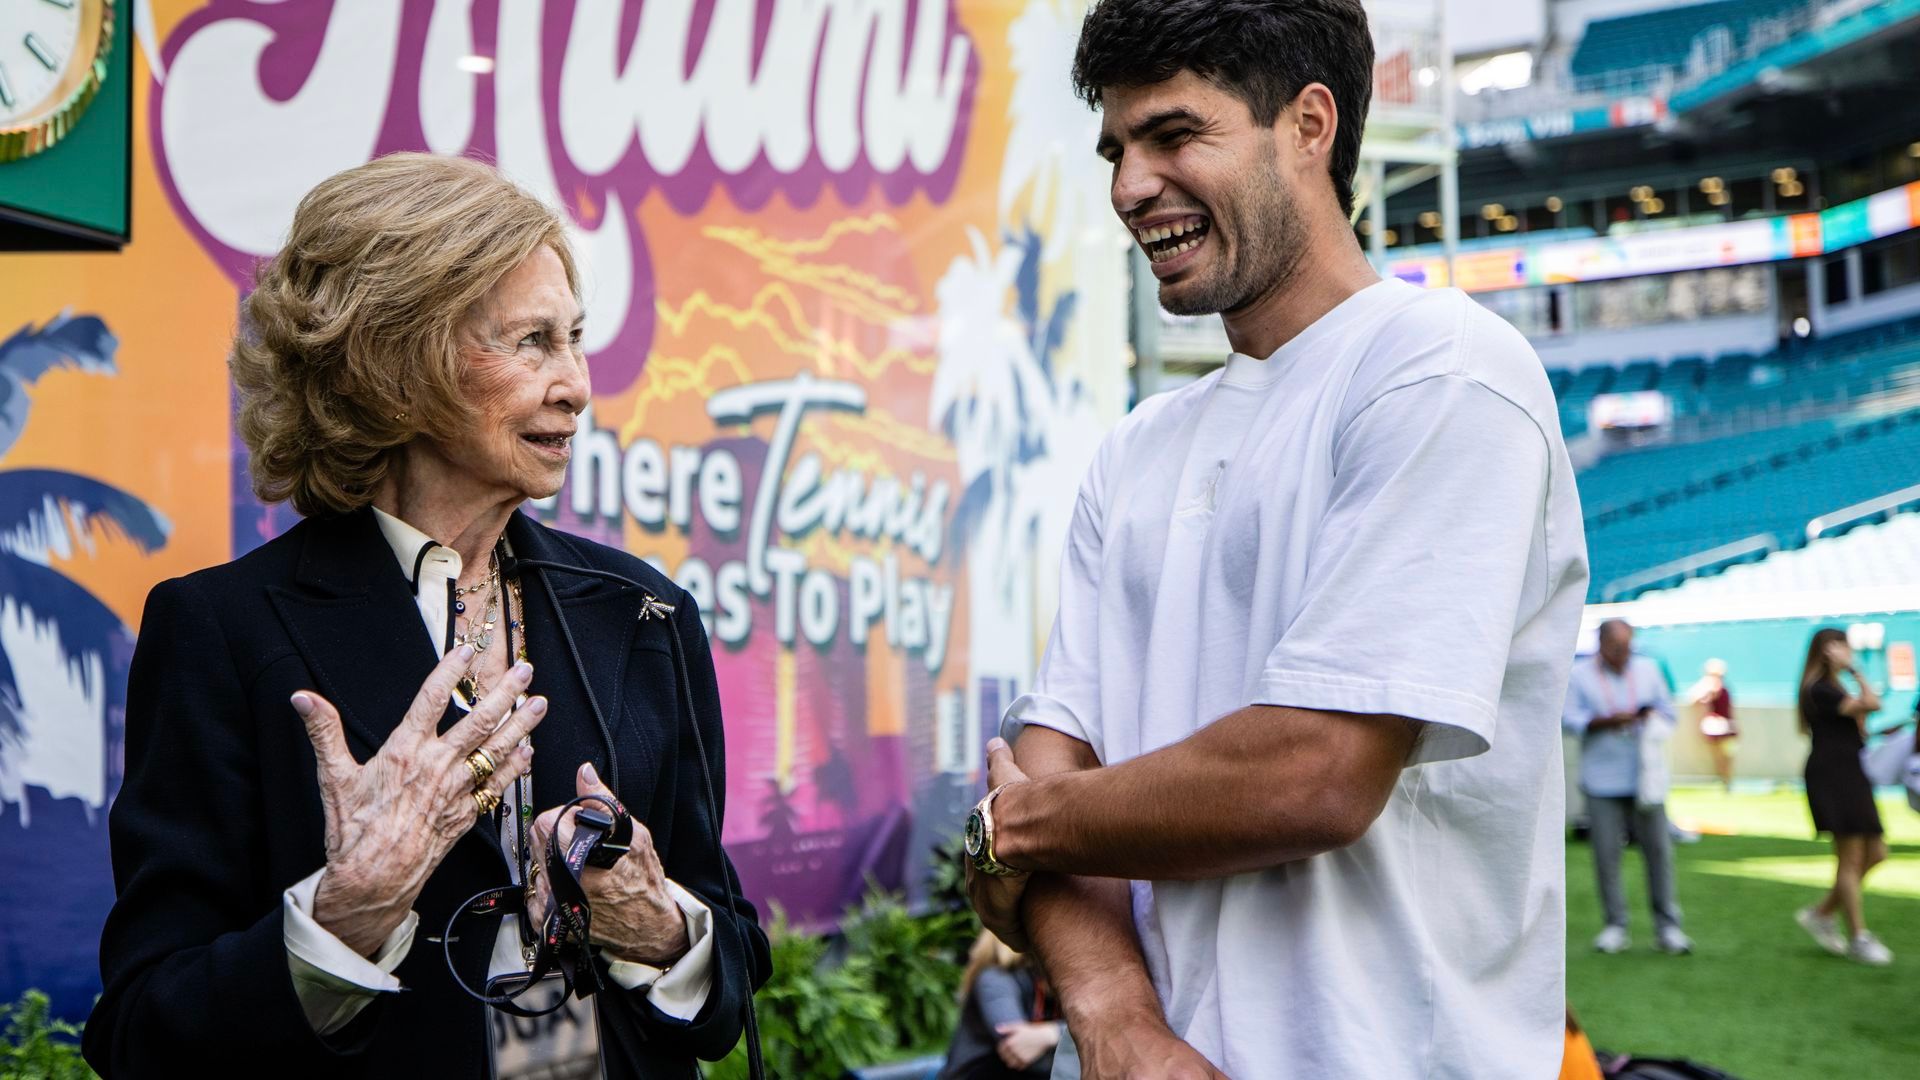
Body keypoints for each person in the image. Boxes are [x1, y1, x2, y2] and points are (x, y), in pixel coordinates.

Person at [960, 2, 1589, 1076]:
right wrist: (1119, 1020)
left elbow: (1317, 774)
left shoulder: (1439, 370)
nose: (1128, 186)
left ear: (1309, 124)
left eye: (1173, 134)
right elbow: (1045, 765)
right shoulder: (1138, 448)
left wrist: (1019, 830)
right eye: (1116, 148)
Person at [83, 154, 769, 1077]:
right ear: (394, 361)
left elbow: (728, 977)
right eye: (530, 342)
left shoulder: (642, 615)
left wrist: (655, 925)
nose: (574, 382)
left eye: (573, 337)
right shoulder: (222, 631)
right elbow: (142, 1035)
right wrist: (348, 910)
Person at [1562, 619, 1692, 956]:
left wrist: (1647, 717)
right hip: (1601, 780)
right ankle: (1615, 925)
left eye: (1628, 646)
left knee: (1659, 852)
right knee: (1606, 855)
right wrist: (1607, 721)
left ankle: (1668, 927)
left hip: (1645, 779)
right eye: (1617, 647)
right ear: (1601, 644)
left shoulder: (1648, 669)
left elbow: (1668, 713)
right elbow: (1569, 719)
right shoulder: (1580, 675)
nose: (1623, 653)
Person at [1792, 628, 1892, 966]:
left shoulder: (1833, 688)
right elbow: (1873, 703)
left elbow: (1864, 716)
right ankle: (1859, 937)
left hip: (1850, 771)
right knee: (1849, 858)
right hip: (1834, 775)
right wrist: (1855, 670)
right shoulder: (1819, 689)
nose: (1844, 651)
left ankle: (1822, 913)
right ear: (1823, 651)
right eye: (1837, 646)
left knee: (1876, 852)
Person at [939, 932, 1064, 1080]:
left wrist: (1051, 1033)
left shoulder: (1047, 977)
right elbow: (1018, 1049)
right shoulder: (994, 978)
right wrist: (1056, 1033)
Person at [1688, 658, 1737, 791]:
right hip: (1718, 727)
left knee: (1725, 757)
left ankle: (1726, 782)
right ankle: (1725, 782)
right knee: (1722, 757)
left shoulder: (1722, 689)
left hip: (1726, 727)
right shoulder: (1713, 688)